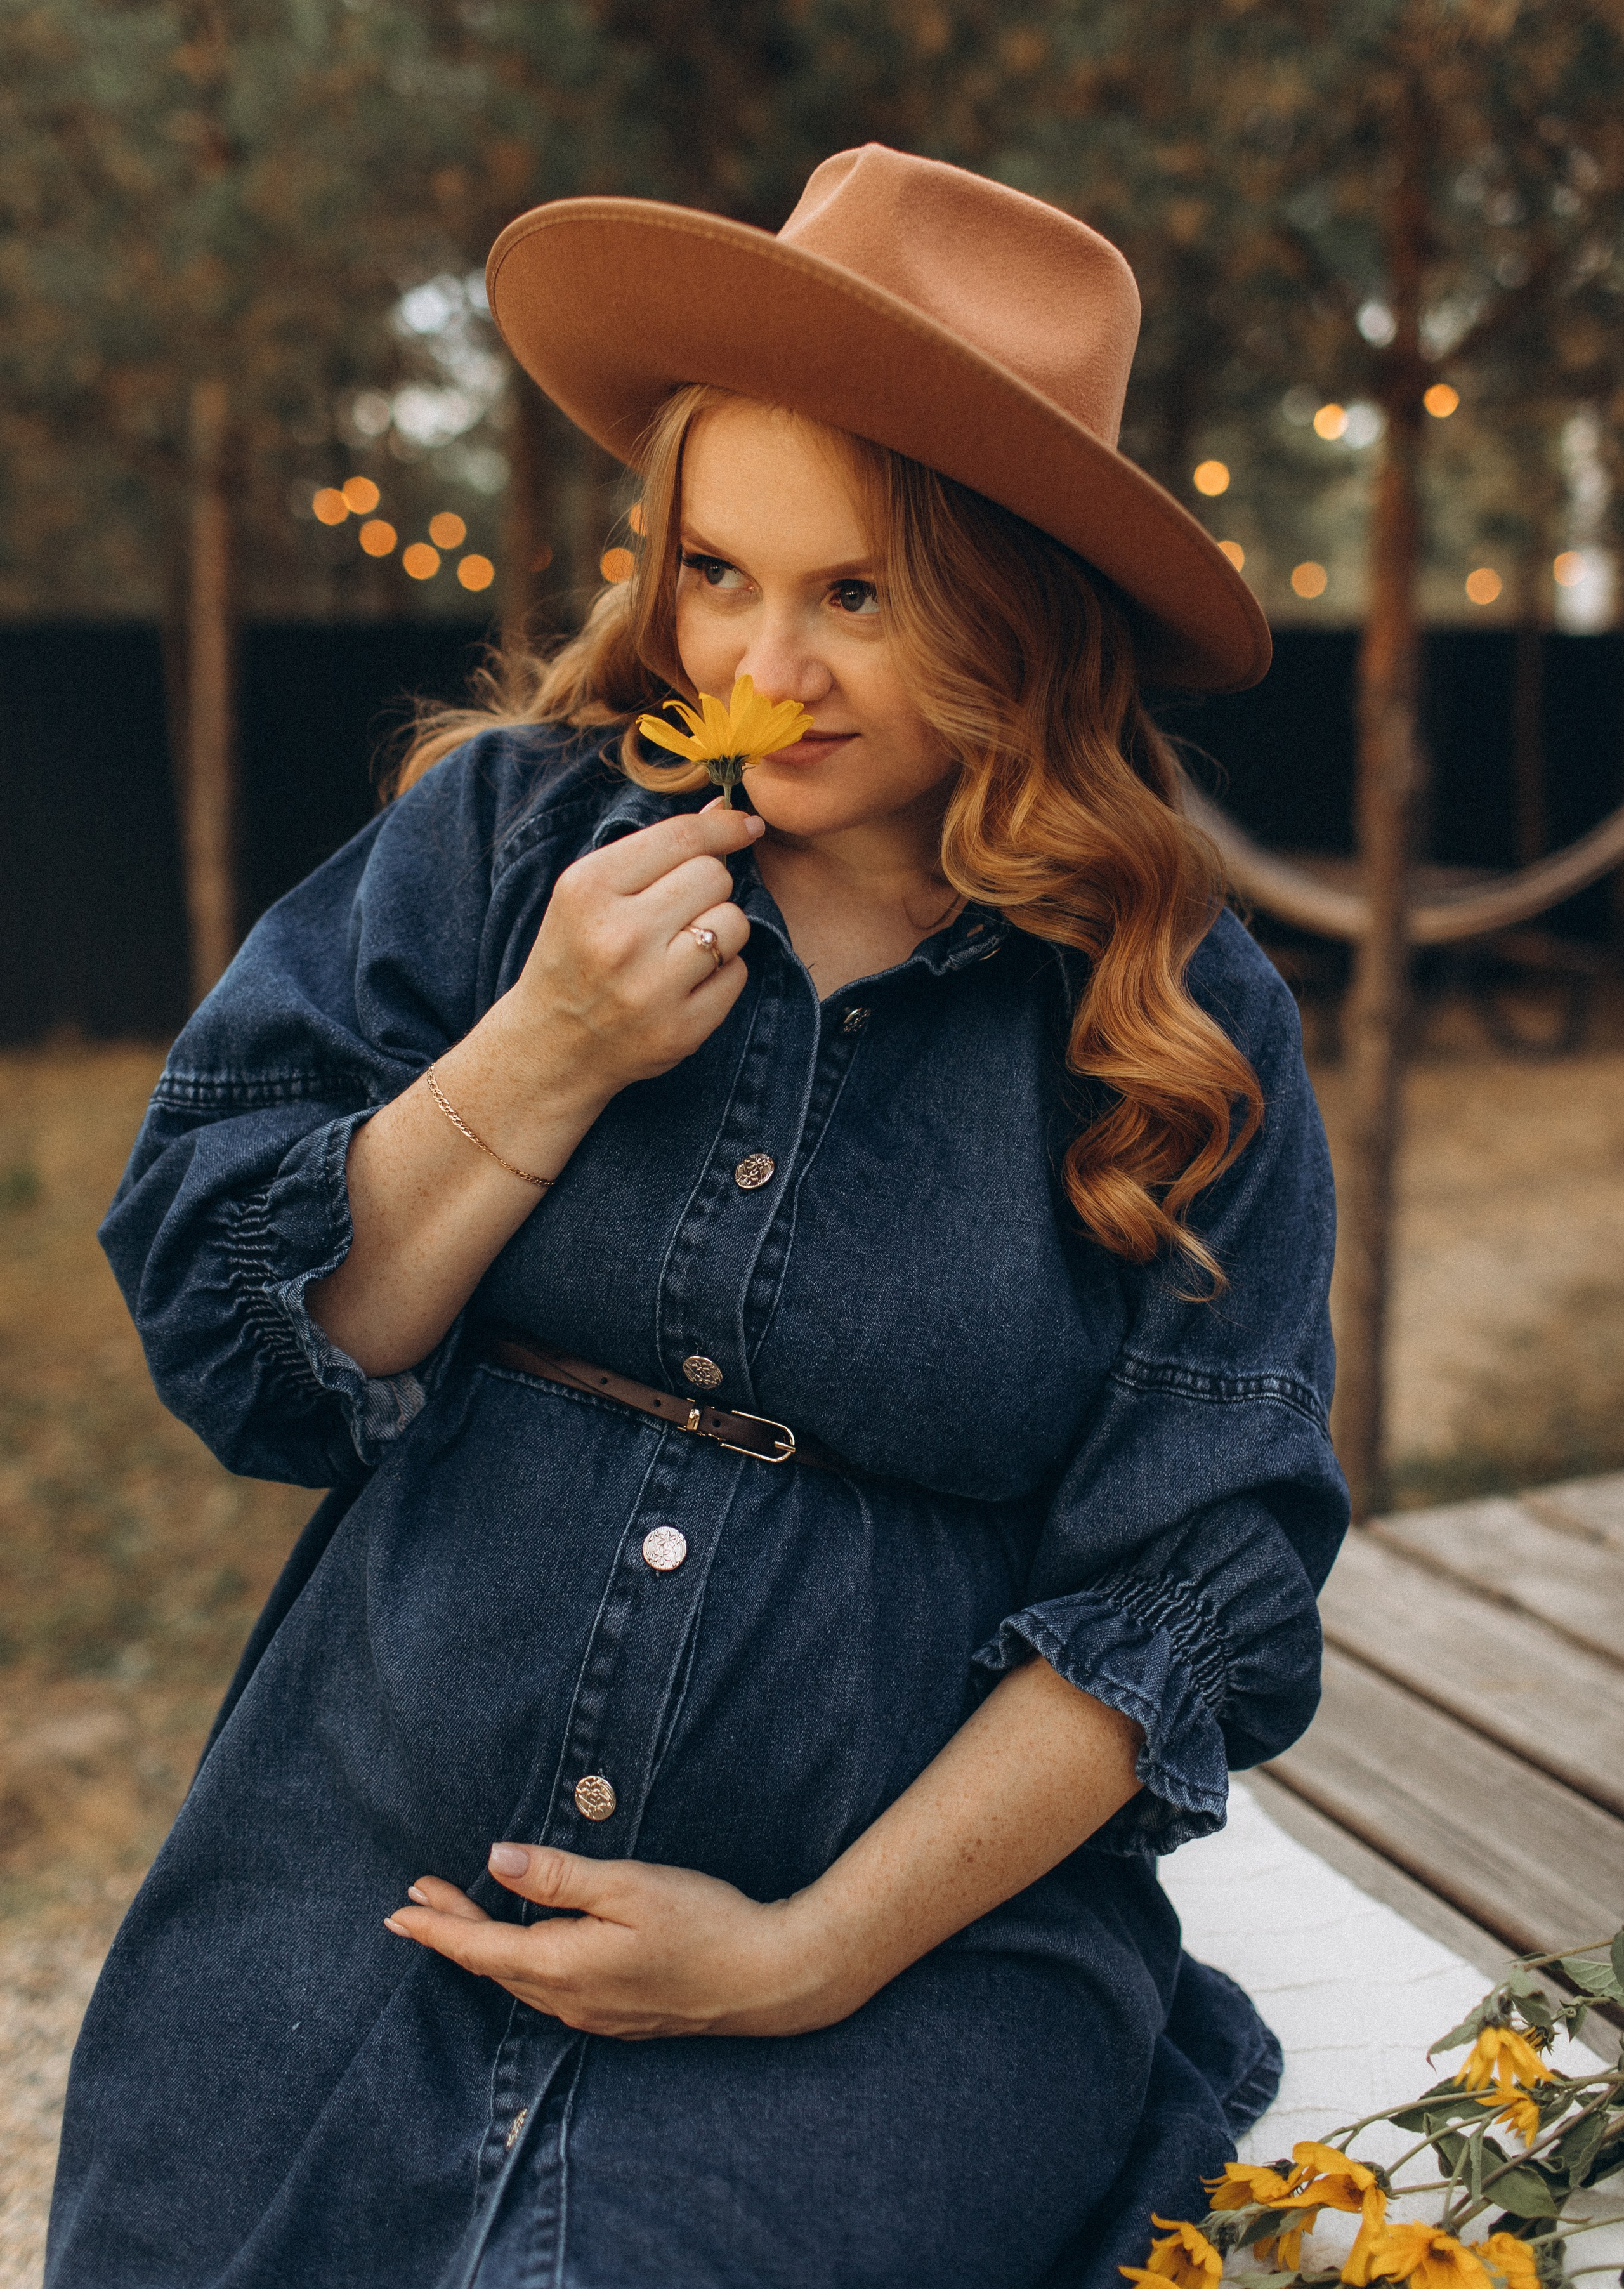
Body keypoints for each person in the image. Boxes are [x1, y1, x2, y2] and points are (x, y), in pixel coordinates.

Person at [48, 145, 1346, 2289]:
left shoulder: (1179, 1023)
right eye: (722, 574)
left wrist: (801, 1958)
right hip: (372, 1875)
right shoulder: (501, 848)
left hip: (898, 1966)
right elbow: (250, 1343)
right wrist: (538, 1053)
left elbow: (1194, 1587)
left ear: (1022, 614)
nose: (768, 661)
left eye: (860, 595)